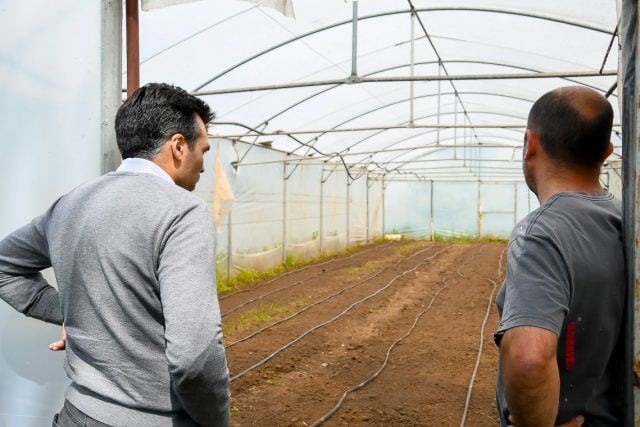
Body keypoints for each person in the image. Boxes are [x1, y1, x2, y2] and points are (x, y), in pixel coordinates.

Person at [0, 83, 230, 426]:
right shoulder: (182, 212)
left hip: (77, 414)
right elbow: (195, 356)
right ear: (179, 146)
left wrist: (73, 311)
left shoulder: (71, 204)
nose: (203, 166)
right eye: (204, 151)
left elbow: (5, 266)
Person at [494, 86, 625, 426]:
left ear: (530, 143)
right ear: (606, 152)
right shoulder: (627, 221)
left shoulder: (541, 234)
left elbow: (528, 358)